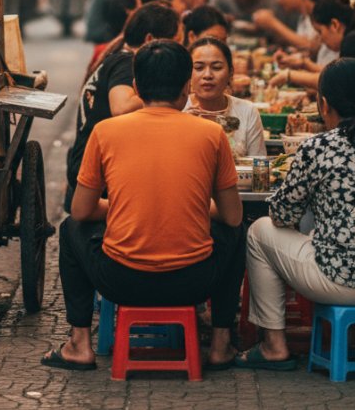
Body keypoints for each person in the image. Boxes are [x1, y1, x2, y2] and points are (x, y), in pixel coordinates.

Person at [42, 41, 246, 372]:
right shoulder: (212, 134)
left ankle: (79, 343)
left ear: (136, 87)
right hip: (195, 282)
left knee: (70, 229)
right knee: (237, 232)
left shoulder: (105, 131)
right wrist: (189, 207)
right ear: (186, 88)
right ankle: (222, 344)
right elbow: (232, 216)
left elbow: (80, 212)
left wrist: (126, 207)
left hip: (121, 281)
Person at [238, 58, 355, 369]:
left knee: (259, 231)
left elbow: (282, 214)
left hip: (344, 282)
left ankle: (273, 345)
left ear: (324, 104)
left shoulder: (317, 147)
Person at [66, 3, 181, 211]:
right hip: (95, 172)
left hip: (87, 163)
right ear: (150, 40)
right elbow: (120, 108)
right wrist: (164, 90)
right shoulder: (127, 64)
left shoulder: (119, 57)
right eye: (175, 43)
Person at [272, 0, 355, 90]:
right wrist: (304, 63)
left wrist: (289, 75)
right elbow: (334, 73)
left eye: (320, 31)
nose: (320, 39)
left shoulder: (353, 42)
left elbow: (336, 80)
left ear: (334, 25)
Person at [186, 38, 267, 158]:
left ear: (230, 73)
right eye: (198, 68)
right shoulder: (179, 111)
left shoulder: (247, 111)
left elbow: (259, 165)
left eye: (217, 67)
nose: (207, 75)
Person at [253, 0, 333, 57]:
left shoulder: (320, 14)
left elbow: (310, 46)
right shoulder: (303, 15)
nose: (278, 0)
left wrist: (272, 23)